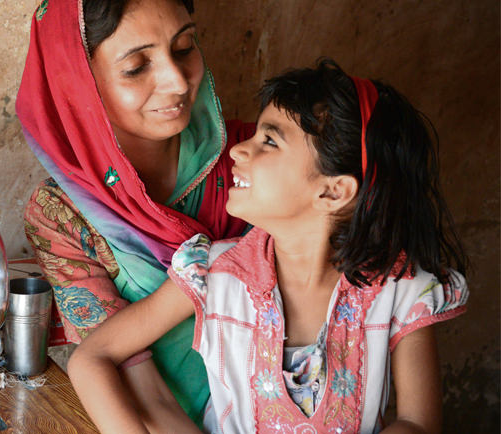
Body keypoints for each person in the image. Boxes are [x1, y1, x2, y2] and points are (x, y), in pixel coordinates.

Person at [67, 59, 469, 433]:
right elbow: (92, 359)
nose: (239, 150)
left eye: (270, 141)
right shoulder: (212, 274)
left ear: (333, 192)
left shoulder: (403, 289)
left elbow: (418, 423)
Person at [16, 0, 251, 427]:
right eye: (136, 67)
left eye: (184, 48)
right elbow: (145, 393)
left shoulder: (254, 160)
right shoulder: (63, 217)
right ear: (77, 84)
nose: (177, 82)